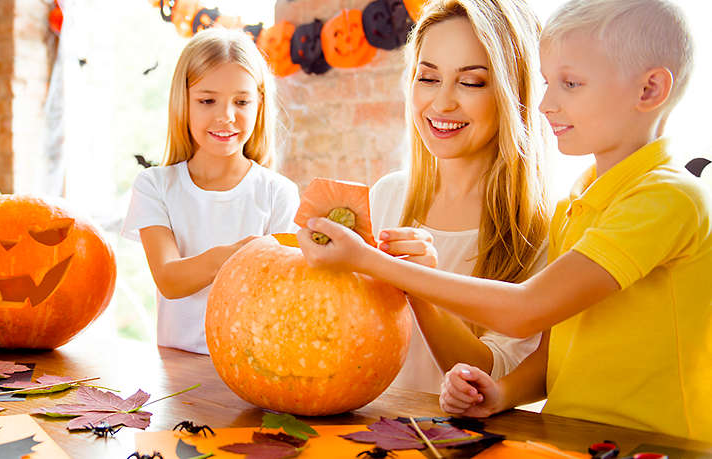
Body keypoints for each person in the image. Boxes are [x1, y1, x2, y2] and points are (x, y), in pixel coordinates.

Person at [299, 0, 711, 441]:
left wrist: (374, 262)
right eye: (551, 83)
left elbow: (525, 311)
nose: (547, 103)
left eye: (570, 83)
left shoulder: (669, 197)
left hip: (654, 443)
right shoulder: (583, 199)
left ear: (649, 91)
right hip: (571, 435)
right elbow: (556, 355)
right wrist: (501, 393)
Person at [370, 0, 550, 394]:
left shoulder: (543, 227)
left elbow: (498, 379)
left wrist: (420, 285)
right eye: (428, 78)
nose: (442, 103)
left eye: (470, 82)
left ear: (513, 92)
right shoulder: (387, 197)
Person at [122, 28, 299, 354]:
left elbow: (280, 294)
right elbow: (169, 279)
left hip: (255, 365)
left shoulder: (278, 193)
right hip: (175, 371)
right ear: (183, 102)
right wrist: (241, 255)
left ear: (259, 105)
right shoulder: (155, 187)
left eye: (241, 101)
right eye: (207, 100)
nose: (226, 116)